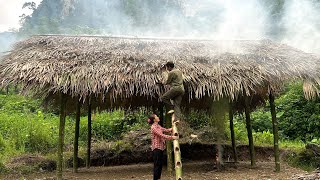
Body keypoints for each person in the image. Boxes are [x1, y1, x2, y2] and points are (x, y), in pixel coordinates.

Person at [148, 114, 178, 180]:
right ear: (154, 119)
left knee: (160, 165)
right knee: (157, 165)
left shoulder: (158, 126)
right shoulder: (153, 127)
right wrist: (172, 137)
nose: (158, 117)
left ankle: (158, 178)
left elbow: (165, 130)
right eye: (156, 117)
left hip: (161, 148)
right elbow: (161, 135)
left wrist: (172, 128)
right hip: (156, 148)